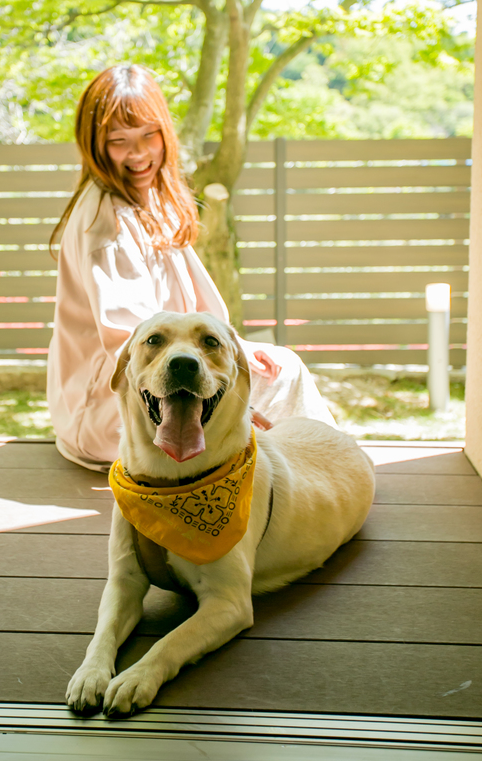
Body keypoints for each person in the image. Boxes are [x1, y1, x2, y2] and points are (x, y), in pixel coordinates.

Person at [47, 65, 335, 472]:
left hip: (152, 374)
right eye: (118, 142)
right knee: (278, 376)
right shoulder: (107, 221)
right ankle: (323, 475)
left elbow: (186, 318)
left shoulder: (147, 200)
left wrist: (240, 351)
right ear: (94, 145)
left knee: (276, 365)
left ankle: (318, 473)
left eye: (149, 135)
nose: (139, 153)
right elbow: (130, 342)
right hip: (113, 402)